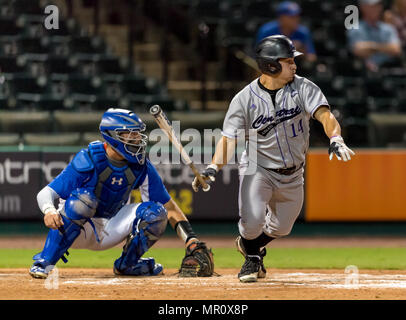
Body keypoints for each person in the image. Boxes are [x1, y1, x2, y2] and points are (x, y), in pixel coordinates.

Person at [192, 35, 355, 283]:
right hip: (258, 167)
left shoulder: (304, 87)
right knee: (252, 220)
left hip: (294, 172)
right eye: (288, 61)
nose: (294, 65)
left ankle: (248, 246)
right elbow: (229, 139)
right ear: (271, 65)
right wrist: (214, 167)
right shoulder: (243, 99)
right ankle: (253, 259)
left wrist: (335, 138)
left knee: (282, 227)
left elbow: (325, 115)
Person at [29, 108, 214, 279]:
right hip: (78, 229)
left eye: (137, 134)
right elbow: (46, 193)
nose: (136, 139)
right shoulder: (88, 159)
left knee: (156, 213)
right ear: (112, 136)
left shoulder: (141, 166)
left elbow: (168, 207)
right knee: (82, 201)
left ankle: (127, 265)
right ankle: (44, 261)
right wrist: (49, 210)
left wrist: (191, 240)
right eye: (130, 134)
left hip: (111, 226)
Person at [347, 0, 402, 72]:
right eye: (373, 6)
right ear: (363, 7)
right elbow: (358, 49)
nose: (377, 8)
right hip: (364, 72)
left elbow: (396, 49)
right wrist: (385, 48)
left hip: (388, 70)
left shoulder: (388, 28)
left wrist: (371, 47)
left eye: (378, 5)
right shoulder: (355, 28)